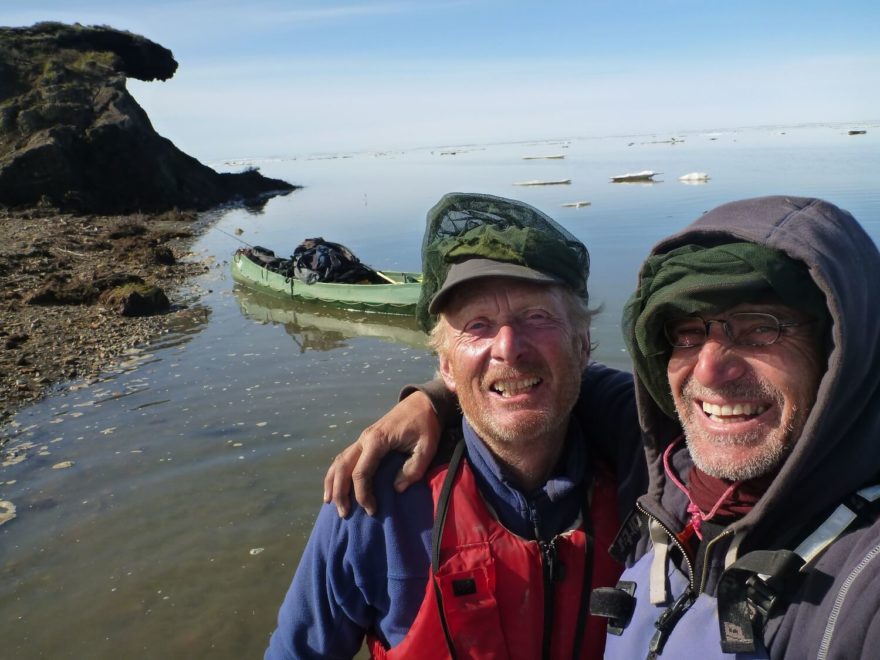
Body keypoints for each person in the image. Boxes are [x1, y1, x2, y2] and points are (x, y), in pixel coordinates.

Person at [327, 195, 880, 657]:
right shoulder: (658, 448)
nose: (710, 369)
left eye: (762, 329)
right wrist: (434, 397)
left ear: (842, 353)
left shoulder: (863, 573)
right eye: (687, 333)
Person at [265, 192, 644, 659]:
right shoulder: (375, 501)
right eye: (478, 325)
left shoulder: (645, 485)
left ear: (584, 346)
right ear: (445, 366)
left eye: (537, 317)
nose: (508, 347)